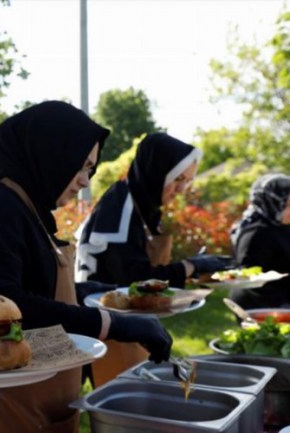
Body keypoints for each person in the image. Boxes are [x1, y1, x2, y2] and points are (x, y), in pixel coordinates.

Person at [0, 101, 172, 433]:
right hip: (5, 409)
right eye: (82, 167)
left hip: (40, 400)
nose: (84, 181)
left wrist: (92, 292)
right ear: (51, 153)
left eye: (90, 170)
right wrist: (111, 324)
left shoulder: (23, 205)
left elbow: (37, 287)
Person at [75, 132, 230, 386]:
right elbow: (132, 280)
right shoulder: (121, 205)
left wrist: (192, 268)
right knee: (123, 400)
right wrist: (189, 266)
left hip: (131, 324)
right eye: (177, 179)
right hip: (112, 330)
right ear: (156, 170)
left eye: (187, 181)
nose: (182, 189)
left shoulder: (140, 202)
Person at [229, 173, 290, 310]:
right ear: (272, 203)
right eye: (288, 205)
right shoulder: (256, 233)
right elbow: (249, 276)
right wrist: (283, 307)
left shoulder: (282, 225)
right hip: (262, 305)